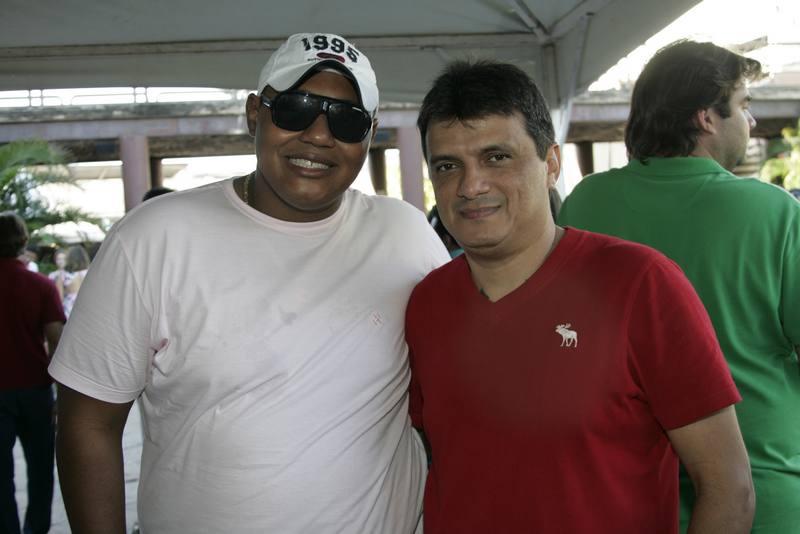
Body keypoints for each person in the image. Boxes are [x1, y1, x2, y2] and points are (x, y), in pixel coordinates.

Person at [49, 32, 448, 533]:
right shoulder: (153, 237)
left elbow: (459, 384)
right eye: (297, 109)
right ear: (255, 114)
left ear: (369, 136)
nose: (319, 135)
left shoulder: (405, 234)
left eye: (347, 120)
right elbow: (88, 422)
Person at [407, 60, 755, 533]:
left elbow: (729, 487)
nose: (471, 186)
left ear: (551, 164)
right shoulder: (426, 304)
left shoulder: (641, 284)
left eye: (497, 157)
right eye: (448, 166)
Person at [559, 40, 800, 533]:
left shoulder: (585, 204)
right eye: (744, 105)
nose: (751, 120)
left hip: (624, 492)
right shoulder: (773, 211)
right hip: (761, 489)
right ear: (705, 117)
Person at [0, 212, 65, 534]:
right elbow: (57, 341)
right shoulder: (41, 286)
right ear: (23, 241)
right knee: (40, 469)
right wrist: (61, 395)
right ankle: (36, 529)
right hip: (35, 388)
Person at [60, 245, 90, 319]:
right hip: (86, 310)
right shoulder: (90, 273)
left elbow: (59, 299)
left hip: (68, 311)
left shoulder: (63, 275)